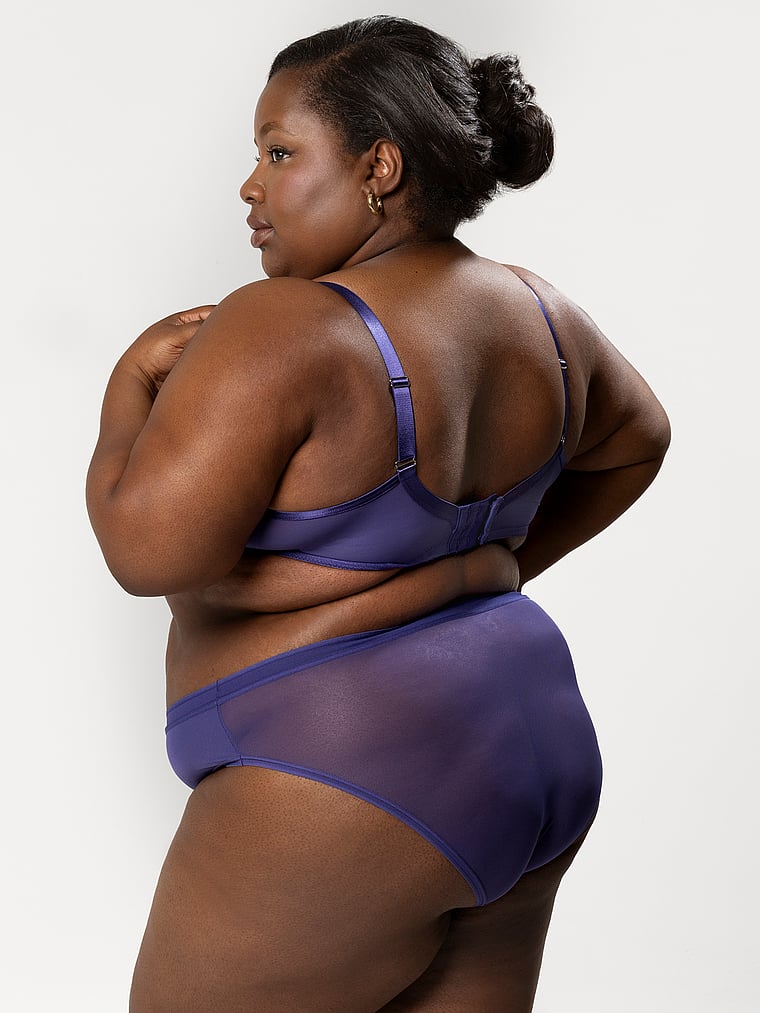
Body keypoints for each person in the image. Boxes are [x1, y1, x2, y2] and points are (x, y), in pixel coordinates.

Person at [86, 15, 670, 1012]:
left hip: (343, 770)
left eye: (279, 152)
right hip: (531, 751)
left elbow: (147, 551)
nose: (251, 186)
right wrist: (472, 570)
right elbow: (637, 439)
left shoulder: (286, 322)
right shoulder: (538, 310)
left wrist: (126, 391)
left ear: (379, 167)